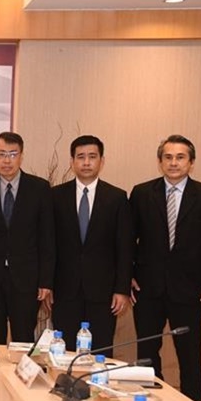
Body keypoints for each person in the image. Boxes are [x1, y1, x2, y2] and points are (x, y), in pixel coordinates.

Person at [130, 135, 201, 401]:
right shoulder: (141, 193)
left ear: (191, 162)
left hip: (190, 290)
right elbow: (127, 240)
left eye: (180, 157)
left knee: (190, 355)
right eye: (168, 157)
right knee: (147, 353)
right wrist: (128, 276)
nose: (174, 163)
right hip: (147, 288)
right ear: (160, 161)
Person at [48, 135, 133, 354]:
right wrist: (47, 285)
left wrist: (122, 289)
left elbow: (124, 247)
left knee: (101, 351)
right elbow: (48, 245)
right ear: (72, 161)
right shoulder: (55, 196)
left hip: (103, 292)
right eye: (81, 157)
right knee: (64, 352)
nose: (86, 162)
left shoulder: (117, 198)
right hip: (64, 290)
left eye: (92, 157)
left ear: (101, 161)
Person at [0, 131, 55, 344]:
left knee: (23, 339)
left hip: (27, 280)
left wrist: (46, 281)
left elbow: (47, 238)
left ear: (21, 156)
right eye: (1, 154)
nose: (7, 160)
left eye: (12, 154)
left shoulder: (40, 188)